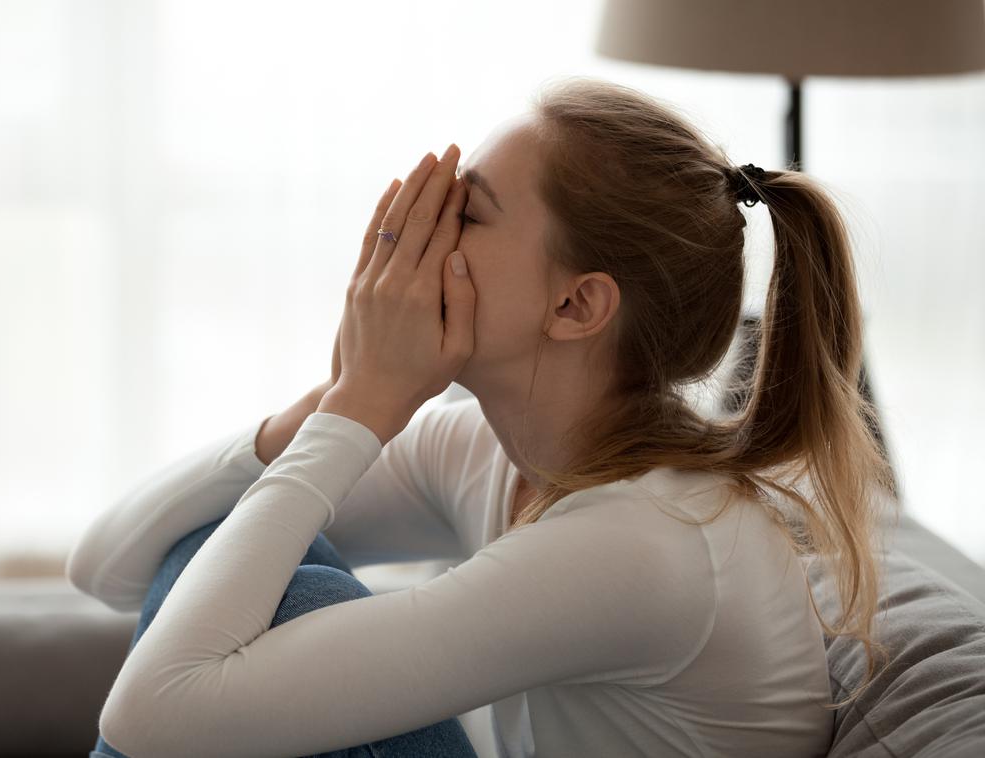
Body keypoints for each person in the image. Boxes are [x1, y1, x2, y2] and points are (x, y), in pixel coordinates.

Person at [67, 75, 898, 757]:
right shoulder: (495, 450)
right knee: (238, 551)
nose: (416, 235)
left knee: (295, 599)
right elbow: (106, 565)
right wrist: (332, 402)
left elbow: (148, 715)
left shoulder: (649, 541)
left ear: (575, 305)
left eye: (465, 212)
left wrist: (361, 405)